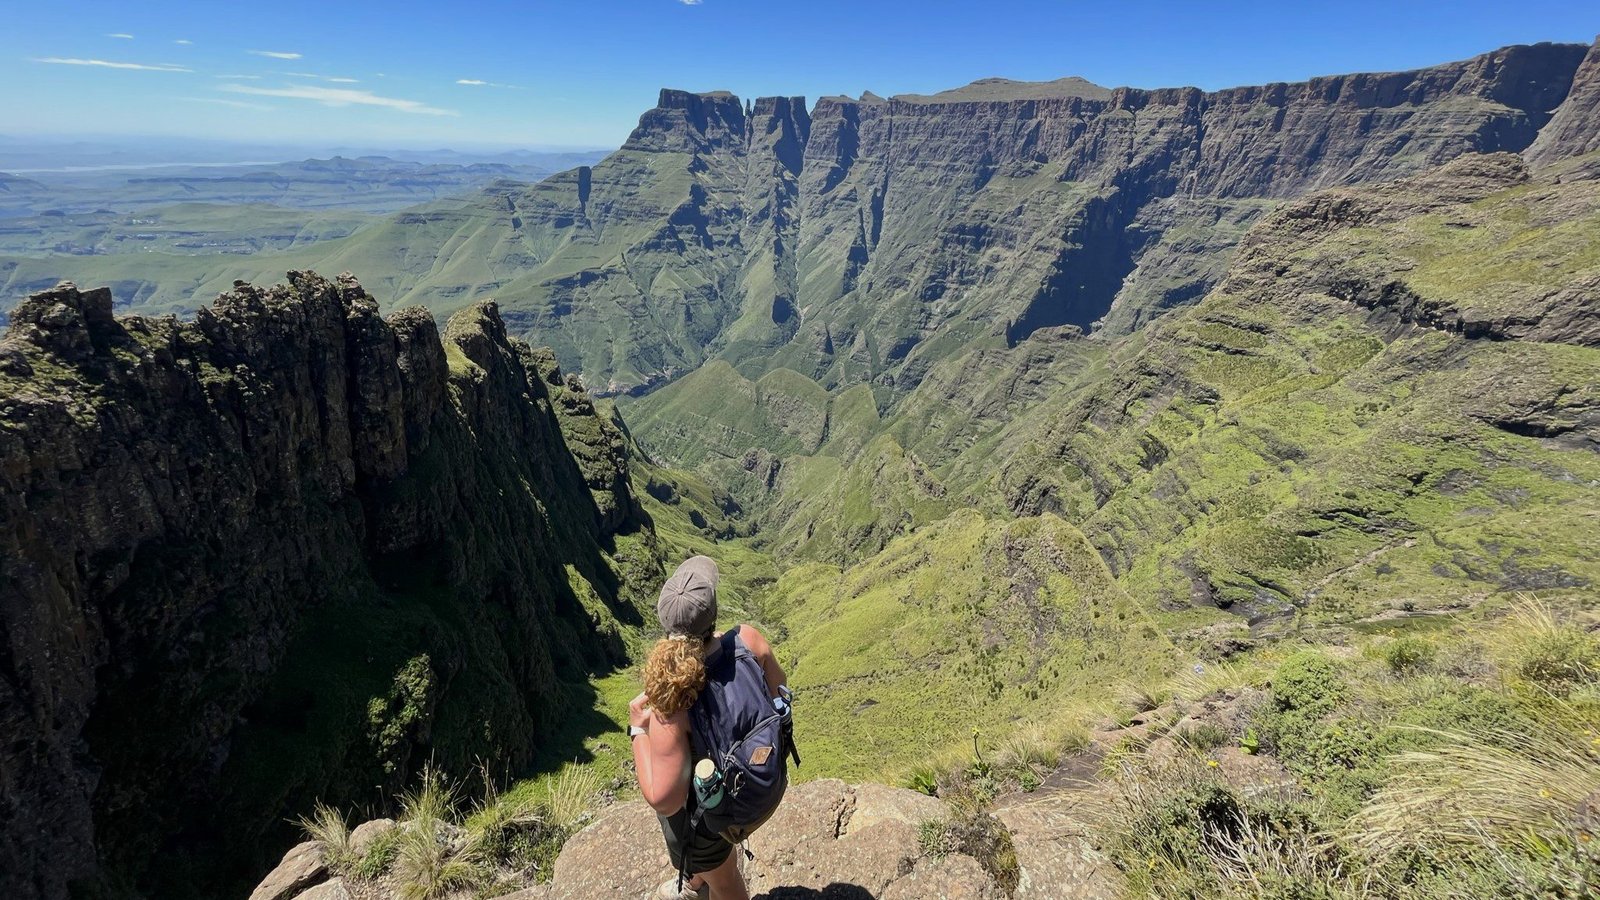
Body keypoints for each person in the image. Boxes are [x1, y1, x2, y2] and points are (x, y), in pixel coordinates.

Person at [629, 556, 791, 900]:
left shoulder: (673, 700)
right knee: (715, 870)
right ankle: (697, 881)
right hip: (762, 777)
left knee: (728, 883)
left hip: (712, 816)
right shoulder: (749, 639)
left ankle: (707, 878)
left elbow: (664, 799)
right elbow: (779, 690)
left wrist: (638, 733)